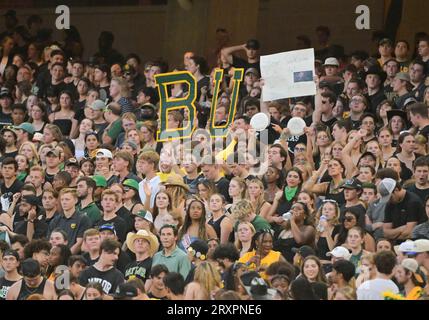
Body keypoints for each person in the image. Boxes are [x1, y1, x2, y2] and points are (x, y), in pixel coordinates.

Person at [382, 178, 426, 244]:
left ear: (396, 190)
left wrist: (392, 235)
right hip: (396, 243)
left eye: (390, 197)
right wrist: (401, 229)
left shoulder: (413, 202)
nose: (388, 200)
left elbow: (409, 233)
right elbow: (385, 233)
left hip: (414, 242)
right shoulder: (390, 203)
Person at [48, 188, 91, 254]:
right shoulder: (55, 220)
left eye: (67, 199)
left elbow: (79, 243)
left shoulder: (83, 219)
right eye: (62, 200)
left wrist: (66, 257)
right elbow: (49, 241)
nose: (64, 202)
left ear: (75, 200)